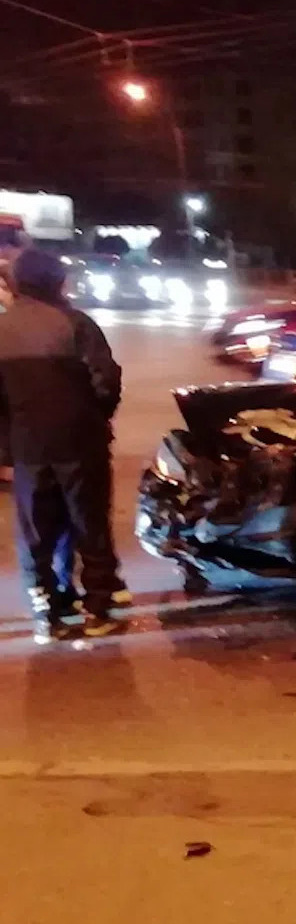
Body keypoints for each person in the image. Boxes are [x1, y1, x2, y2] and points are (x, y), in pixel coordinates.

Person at [0, 248, 125, 644]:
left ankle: (47, 610)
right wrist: (95, 416)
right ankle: (98, 608)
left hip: (28, 448)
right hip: (80, 441)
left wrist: (8, 447)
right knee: (88, 523)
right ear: (58, 281)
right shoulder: (76, 324)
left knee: (36, 528)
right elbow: (106, 382)